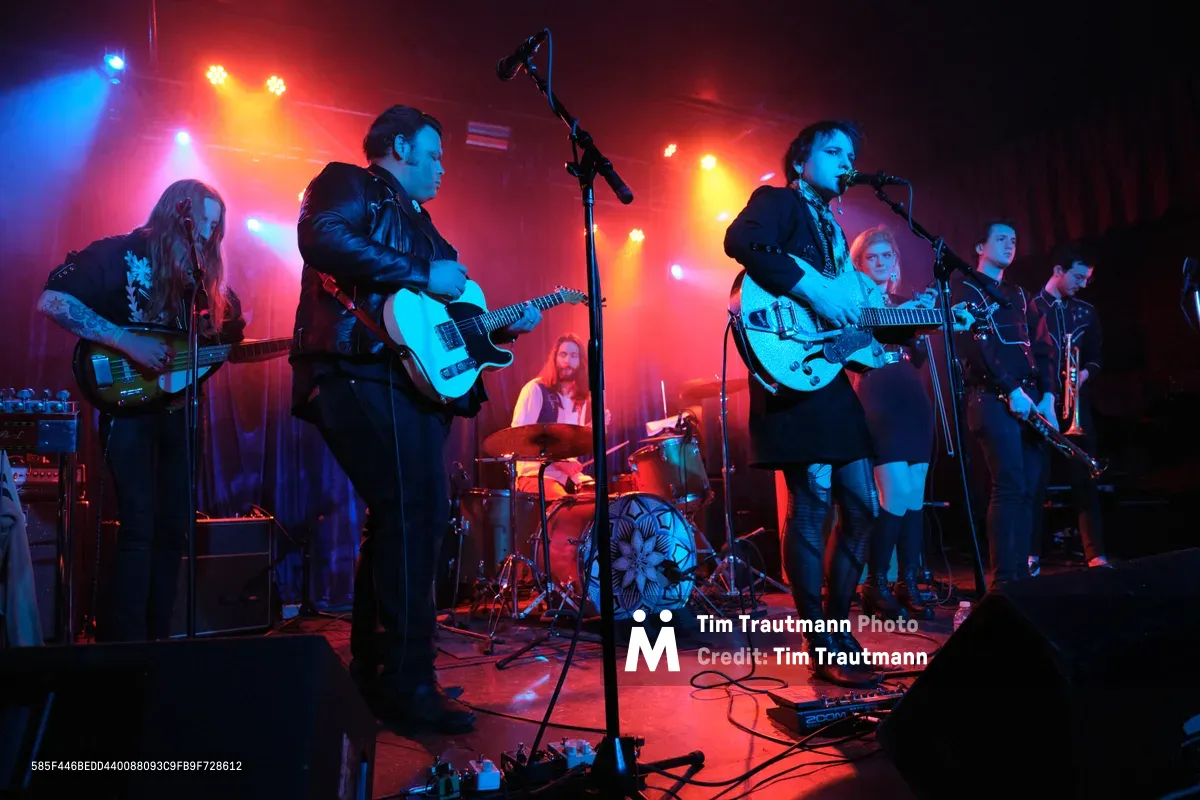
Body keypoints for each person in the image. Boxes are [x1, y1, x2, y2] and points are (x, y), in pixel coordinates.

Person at [289, 104, 541, 733]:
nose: (442, 167)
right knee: (417, 510)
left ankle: (379, 675)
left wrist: (501, 324)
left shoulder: (424, 226)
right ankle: (406, 683)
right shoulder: (348, 181)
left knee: (401, 515)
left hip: (403, 381)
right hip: (357, 364)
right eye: (433, 154)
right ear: (398, 145)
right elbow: (321, 236)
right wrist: (424, 271)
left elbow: (447, 326)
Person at [36, 179, 246, 642]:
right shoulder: (118, 252)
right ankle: (126, 643)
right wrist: (127, 340)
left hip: (180, 411)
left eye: (216, 228)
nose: (208, 237)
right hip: (126, 408)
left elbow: (227, 339)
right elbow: (52, 300)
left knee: (174, 527)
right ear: (177, 214)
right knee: (138, 523)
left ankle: (160, 640)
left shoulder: (203, 284)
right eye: (202, 224)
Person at [724, 120, 889, 688]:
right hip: (788, 373)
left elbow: (846, 327)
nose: (847, 161)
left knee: (864, 504)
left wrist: (901, 327)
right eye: (834, 151)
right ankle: (819, 640)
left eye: (852, 153)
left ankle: (838, 628)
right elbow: (741, 243)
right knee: (813, 497)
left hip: (827, 373)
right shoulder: (777, 201)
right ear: (801, 161)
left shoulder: (839, 235)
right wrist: (813, 288)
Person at [951, 219, 1056, 589]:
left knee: (1029, 486)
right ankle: (1005, 582)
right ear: (980, 247)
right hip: (991, 397)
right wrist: (1010, 389)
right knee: (1009, 484)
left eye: (1013, 239)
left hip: (1029, 400)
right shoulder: (963, 289)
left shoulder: (1019, 294)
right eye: (1000, 239)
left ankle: (1023, 576)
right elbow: (974, 345)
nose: (1010, 245)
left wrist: (1048, 396)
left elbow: (1043, 348)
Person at [847, 225, 936, 620]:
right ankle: (876, 582)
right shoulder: (852, 304)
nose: (880, 263)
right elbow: (853, 349)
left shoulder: (908, 303)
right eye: (872, 257)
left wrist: (924, 331)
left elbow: (918, 357)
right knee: (895, 493)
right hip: (878, 394)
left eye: (886, 256)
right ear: (859, 264)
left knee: (915, 494)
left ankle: (908, 582)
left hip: (912, 395)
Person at [1030, 244, 1109, 573]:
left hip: (1075, 403)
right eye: (1078, 276)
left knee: (1085, 479)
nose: (1082, 284)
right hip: (1041, 404)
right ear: (1058, 271)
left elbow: (1096, 357)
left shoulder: (1086, 311)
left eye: (1087, 279)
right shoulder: (1031, 308)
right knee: (1036, 482)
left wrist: (1081, 376)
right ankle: (1030, 553)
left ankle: (1095, 554)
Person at [510, 333, 609, 498]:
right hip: (535, 475)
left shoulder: (581, 398)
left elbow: (569, 442)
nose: (567, 361)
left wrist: (594, 428)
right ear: (554, 358)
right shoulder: (535, 389)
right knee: (564, 504)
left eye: (573, 356)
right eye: (562, 354)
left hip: (565, 479)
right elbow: (520, 439)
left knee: (601, 500)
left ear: (581, 362)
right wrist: (559, 463)